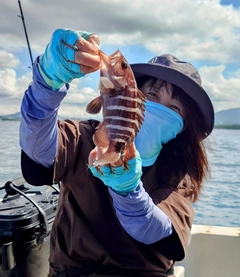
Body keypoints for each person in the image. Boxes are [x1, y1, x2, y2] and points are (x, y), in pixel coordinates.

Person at [19, 28, 214, 277]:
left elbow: (160, 234)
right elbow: (39, 156)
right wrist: (46, 83)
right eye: (151, 94)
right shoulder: (84, 136)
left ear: (182, 127)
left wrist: (127, 189)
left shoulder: (178, 169)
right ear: (136, 97)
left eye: (174, 107)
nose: (158, 108)